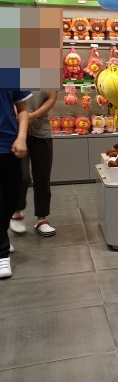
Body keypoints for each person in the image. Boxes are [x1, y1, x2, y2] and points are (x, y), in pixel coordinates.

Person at [10, 90, 57, 237]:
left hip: (42, 131)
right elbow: (8, 97)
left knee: (42, 177)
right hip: (16, 131)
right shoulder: (12, 75)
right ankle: (16, 210)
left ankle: (42, 219)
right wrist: (22, 119)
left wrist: (32, 116)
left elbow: (51, 99)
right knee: (21, 176)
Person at [0, 90, 31, 279]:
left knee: (11, 197)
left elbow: (23, 109)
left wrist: (21, 137)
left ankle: (2, 233)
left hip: (9, 144)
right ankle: (2, 252)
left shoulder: (10, 74)